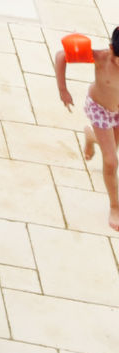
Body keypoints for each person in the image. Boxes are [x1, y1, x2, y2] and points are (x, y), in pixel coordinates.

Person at [55, 28, 119, 231]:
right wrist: (63, 90)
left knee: (112, 146)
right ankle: (115, 206)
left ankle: (91, 137)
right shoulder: (100, 57)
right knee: (110, 161)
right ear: (111, 49)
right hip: (100, 109)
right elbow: (61, 55)